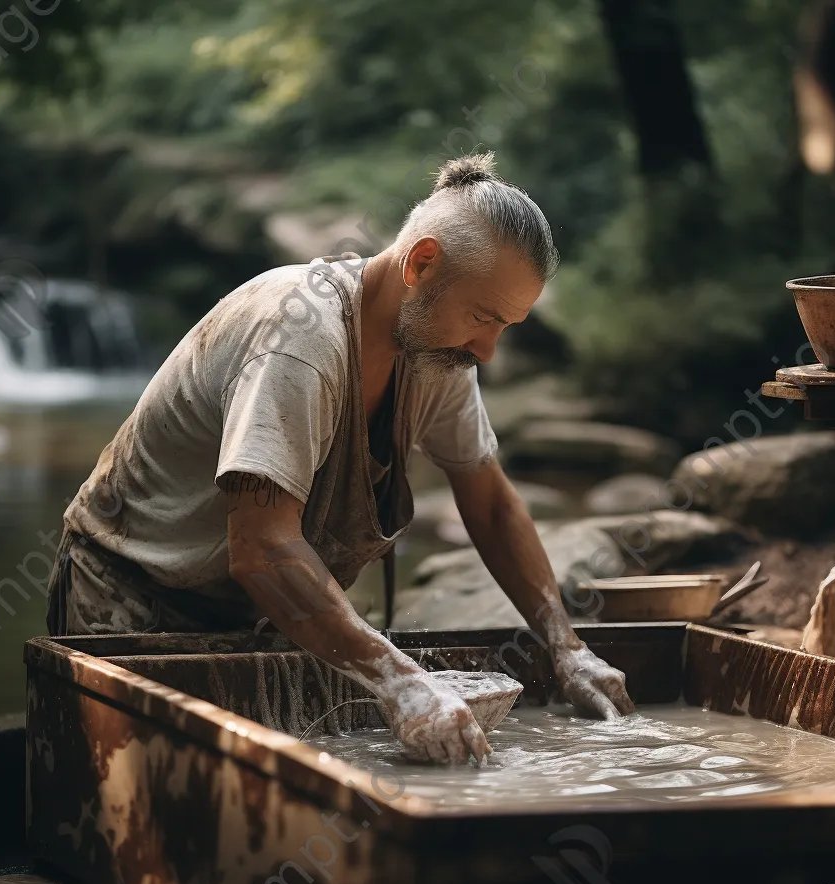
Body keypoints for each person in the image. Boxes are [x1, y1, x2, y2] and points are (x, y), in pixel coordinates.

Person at [46, 151, 634, 764]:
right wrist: (402, 682)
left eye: (505, 326)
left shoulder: (437, 349)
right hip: (131, 602)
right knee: (152, 822)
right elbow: (264, 550)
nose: (487, 349)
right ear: (421, 263)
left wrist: (566, 648)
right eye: (484, 318)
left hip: (256, 615)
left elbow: (488, 502)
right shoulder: (301, 339)